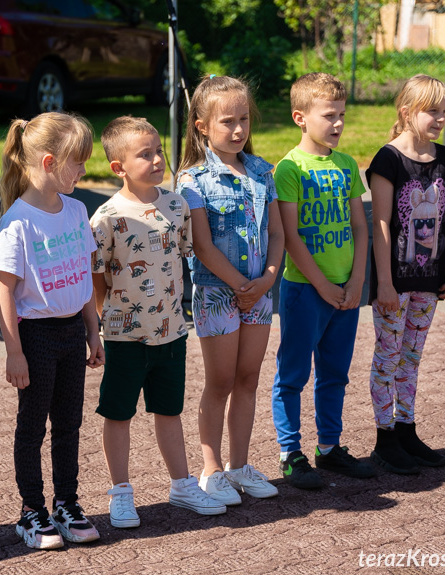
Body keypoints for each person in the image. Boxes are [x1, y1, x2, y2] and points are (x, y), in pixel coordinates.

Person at [91, 115, 226, 528]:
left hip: (172, 331)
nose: (156, 159)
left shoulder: (176, 204)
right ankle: (120, 492)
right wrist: (106, 318)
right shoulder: (107, 217)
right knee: (118, 414)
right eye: (144, 154)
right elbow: (97, 276)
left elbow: (183, 255)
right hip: (124, 337)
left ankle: (182, 484)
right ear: (118, 167)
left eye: (158, 151)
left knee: (169, 410)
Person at [0, 112, 104, 550]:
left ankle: (66, 503)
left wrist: (93, 332)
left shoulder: (76, 210)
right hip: (35, 336)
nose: (84, 170)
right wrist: (13, 352)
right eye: (79, 161)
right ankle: (31, 511)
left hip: (73, 332)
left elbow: (84, 277)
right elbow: (3, 295)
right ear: (51, 162)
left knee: (69, 424)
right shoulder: (16, 223)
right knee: (32, 426)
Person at [175, 76, 284, 505]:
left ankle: (240, 466)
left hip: (259, 292)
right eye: (227, 121)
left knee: (248, 378)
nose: (238, 130)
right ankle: (212, 470)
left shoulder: (262, 170)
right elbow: (201, 245)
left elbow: (276, 232)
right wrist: (240, 285)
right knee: (219, 381)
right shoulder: (192, 178)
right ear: (201, 125)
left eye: (244, 120)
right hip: (218, 294)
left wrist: (268, 277)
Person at [271, 72, 375, 489]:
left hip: (346, 290)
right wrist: (324, 286)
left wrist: (356, 282)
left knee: (335, 373)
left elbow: (361, 227)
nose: (338, 123)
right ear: (300, 117)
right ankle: (291, 452)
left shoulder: (348, 164)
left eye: (342, 115)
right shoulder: (289, 169)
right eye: (328, 115)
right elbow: (290, 238)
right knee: (292, 375)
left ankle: (329, 448)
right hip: (303, 292)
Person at [366, 75, 445, 474]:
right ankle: (384, 437)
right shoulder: (387, 160)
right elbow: (382, 224)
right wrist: (385, 282)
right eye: (431, 111)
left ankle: (406, 429)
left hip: (430, 279)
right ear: (407, 112)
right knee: (387, 357)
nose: (439, 118)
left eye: (443, 110)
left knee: (412, 357)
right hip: (396, 281)